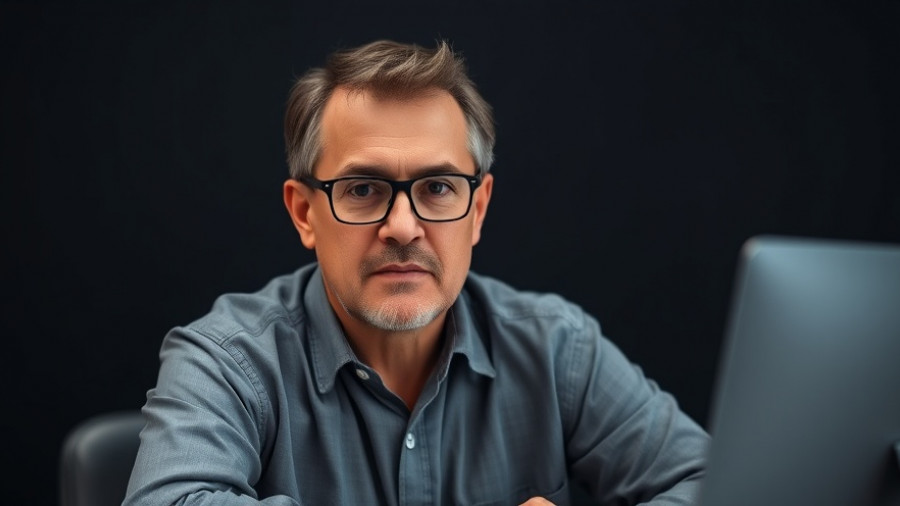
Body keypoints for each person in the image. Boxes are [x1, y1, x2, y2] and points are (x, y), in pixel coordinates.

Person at [124, 39, 709, 506]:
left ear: (476, 211)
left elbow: (709, 482)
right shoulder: (227, 360)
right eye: (361, 189)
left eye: (436, 188)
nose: (403, 226)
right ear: (305, 212)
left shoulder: (557, 347)